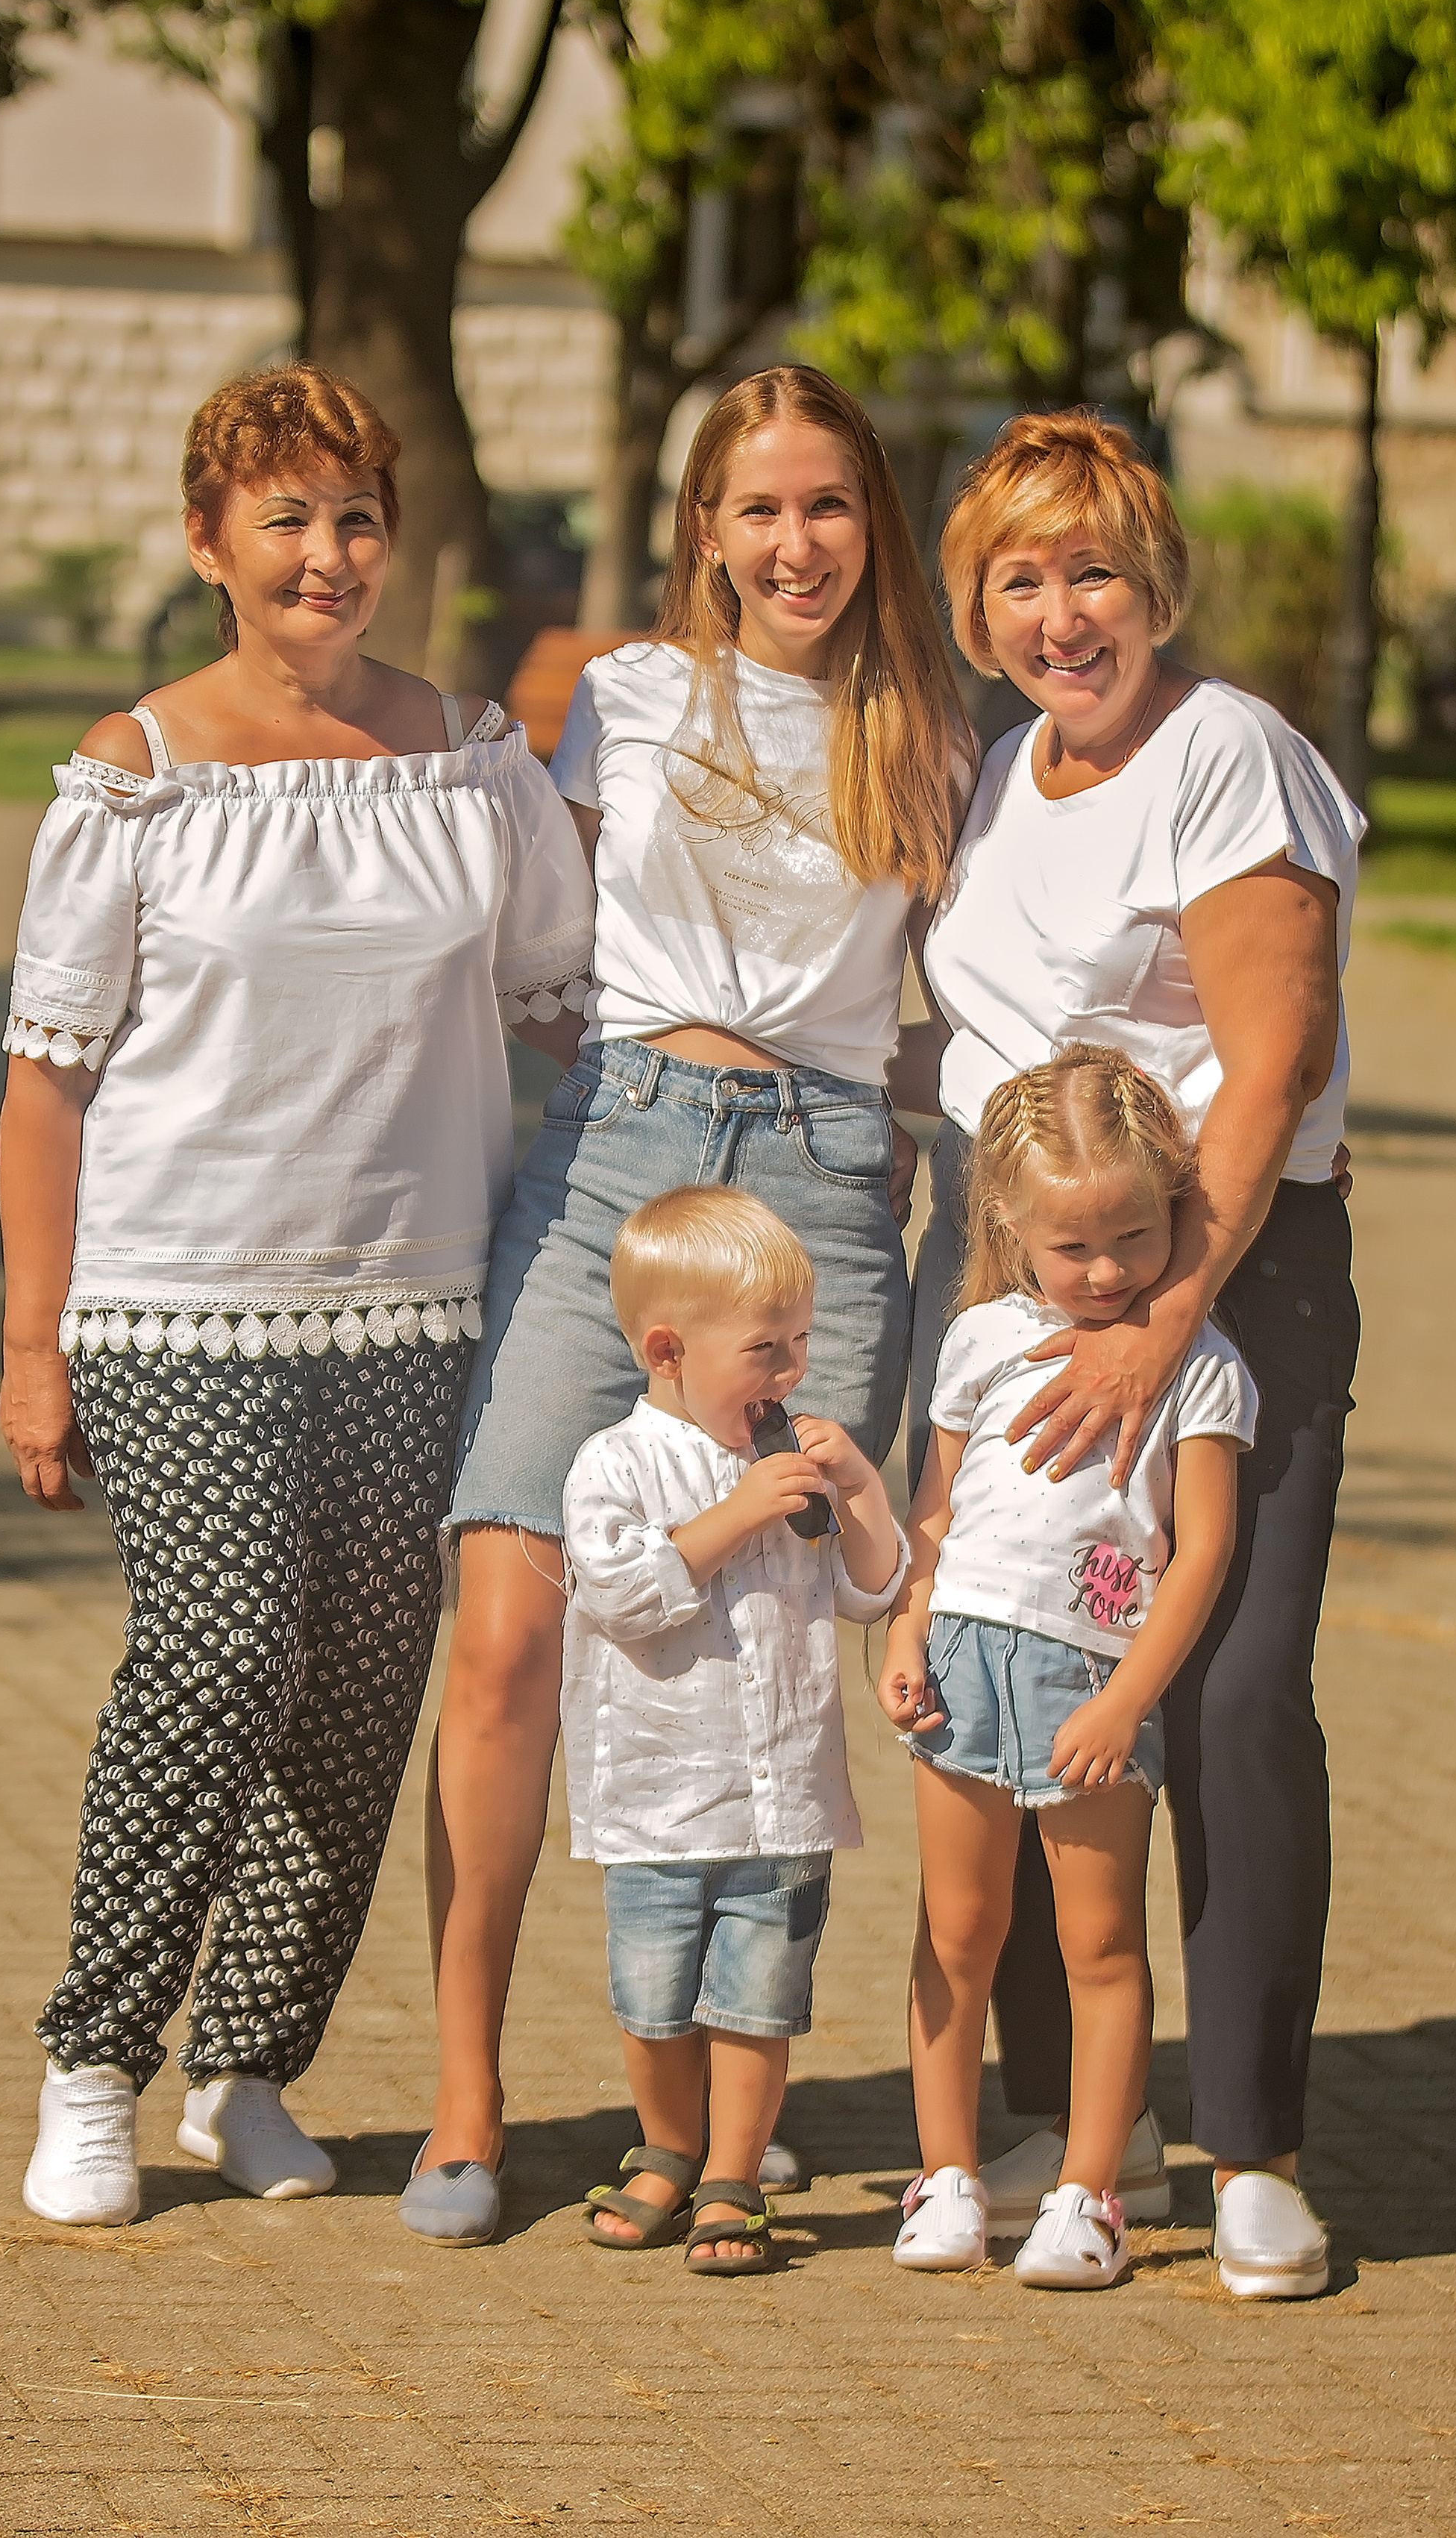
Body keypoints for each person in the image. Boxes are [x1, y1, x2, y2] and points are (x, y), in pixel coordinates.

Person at [0, 362, 594, 2228]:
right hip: (172, 1304)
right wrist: (34, 1346)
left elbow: (562, 1016)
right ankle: (95, 2063)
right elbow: (47, 1075)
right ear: (210, 543)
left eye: (354, 520)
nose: (327, 556)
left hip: (421, 1305)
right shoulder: (136, 778)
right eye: (285, 521)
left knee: (355, 1695)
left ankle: (248, 2064)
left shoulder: (474, 765)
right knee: (224, 1649)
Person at [404, 364, 976, 2246]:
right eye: (756, 508)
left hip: (815, 1177)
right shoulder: (627, 699)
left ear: (866, 522)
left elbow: (978, 1005)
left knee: (776, 1643)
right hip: (615, 1155)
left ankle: (730, 2109)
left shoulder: (928, 729)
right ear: (705, 530)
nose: (792, 542)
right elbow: (529, 947)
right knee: (507, 1627)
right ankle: (467, 2098)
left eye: (825, 504)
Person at [897, 410, 1363, 2300]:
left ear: (1152, 580)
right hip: (1025, 1291)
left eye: (1091, 570)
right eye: (1018, 577)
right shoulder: (1007, 771)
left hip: (1219, 1288)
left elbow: (1275, 1066)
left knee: (1227, 1696)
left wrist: (1163, 1332)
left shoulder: (1224, 755)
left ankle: (1250, 2144)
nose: (1059, 611)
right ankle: (1063, 2122)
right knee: (1015, 1667)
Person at [879, 1047, 1255, 2284]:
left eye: (1136, 1237)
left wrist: (1129, 1698)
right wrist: (904, 1626)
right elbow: (934, 1508)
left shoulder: (1199, 1365)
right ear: (1010, 1226)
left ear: (1179, 1208)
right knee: (957, 1931)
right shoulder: (982, 1335)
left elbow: (1199, 1553)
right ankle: (944, 2178)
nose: (1105, 1274)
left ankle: (1092, 2192)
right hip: (960, 1665)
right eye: (1073, 1248)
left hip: (1092, 1680)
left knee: (1100, 1945)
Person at [560, 1188, 906, 2275]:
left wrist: (857, 1491)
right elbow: (619, 1594)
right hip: (658, 1796)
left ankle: (735, 2175)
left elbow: (875, 1587)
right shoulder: (612, 1464)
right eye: (766, 1350)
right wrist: (739, 1513)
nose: (791, 1374)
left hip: (786, 1795)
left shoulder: (794, 1462)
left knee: (760, 2002)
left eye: (801, 1344)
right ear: (668, 1350)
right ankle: (667, 2145)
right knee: (657, 2001)